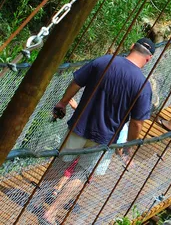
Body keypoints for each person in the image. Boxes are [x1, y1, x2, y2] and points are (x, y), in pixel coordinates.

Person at [43, 38, 155, 224]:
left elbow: (76, 82)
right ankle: (52, 212)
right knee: (83, 173)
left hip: (79, 126)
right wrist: (128, 146)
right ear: (149, 59)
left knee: (60, 162)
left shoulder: (104, 61)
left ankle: (38, 196)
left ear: (131, 47)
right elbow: (137, 123)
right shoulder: (143, 85)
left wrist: (63, 103)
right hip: (105, 138)